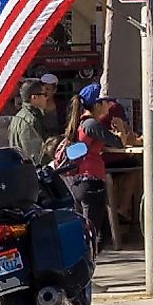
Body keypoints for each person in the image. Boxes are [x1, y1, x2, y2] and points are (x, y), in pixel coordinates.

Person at [64, 89, 117, 250]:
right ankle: (82, 264)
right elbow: (117, 142)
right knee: (90, 234)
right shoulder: (91, 124)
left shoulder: (83, 123)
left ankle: (89, 262)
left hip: (82, 183)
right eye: (107, 102)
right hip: (90, 183)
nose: (110, 106)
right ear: (97, 104)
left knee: (103, 234)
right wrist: (121, 129)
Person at [8, 78, 62, 171]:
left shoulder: (19, 116)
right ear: (34, 97)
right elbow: (35, 157)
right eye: (44, 94)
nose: (46, 98)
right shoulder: (30, 121)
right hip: (30, 175)